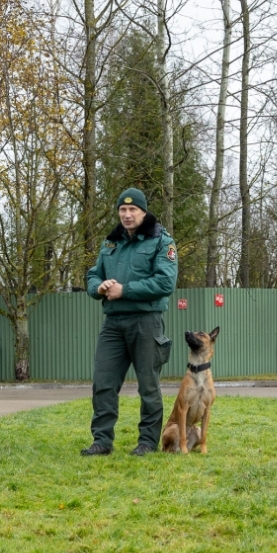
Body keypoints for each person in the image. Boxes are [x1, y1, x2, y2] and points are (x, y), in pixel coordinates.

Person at [83, 187, 178, 456]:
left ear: (143, 212)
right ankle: (102, 441)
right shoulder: (111, 243)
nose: (127, 214)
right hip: (113, 324)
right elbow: (92, 276)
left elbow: (165, 282)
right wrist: (99, 287)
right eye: (122, 210)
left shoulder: (161, 241)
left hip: (146, 322)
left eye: (132, 209)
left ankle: (147, 442)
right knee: (103, 383)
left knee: (148, 386)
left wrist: (124, 290)